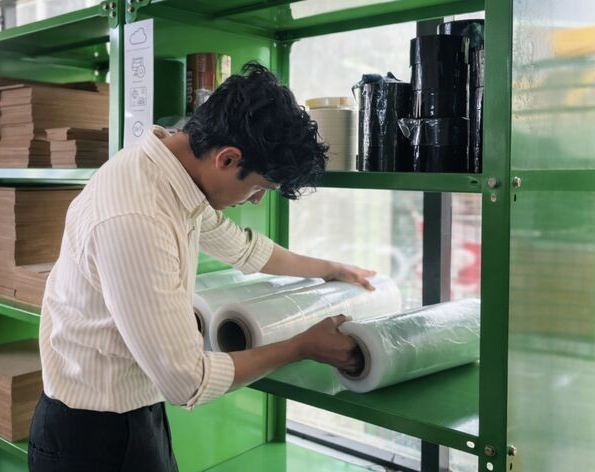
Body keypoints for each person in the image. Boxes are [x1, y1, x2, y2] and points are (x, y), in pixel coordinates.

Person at [29, 62, 375, 471]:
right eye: (259, 188)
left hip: (131, 412)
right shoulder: (137, 215)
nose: (256, 201)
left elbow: (244, 250)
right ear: (228, 159)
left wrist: (330, 268)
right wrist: (303, 345)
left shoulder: (169, 174)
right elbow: (187, 381)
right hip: (92, 438)